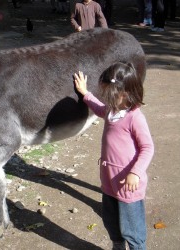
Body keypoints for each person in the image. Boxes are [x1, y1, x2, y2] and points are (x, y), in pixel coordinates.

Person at [73, 62, 154, 250]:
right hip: (109, 181)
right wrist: (85, 94)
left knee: (132, 230)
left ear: (125, 94)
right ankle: (117, 245)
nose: (106, 99)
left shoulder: (134, 117)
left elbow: (147, 147)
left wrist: (136, 172)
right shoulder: (112, 110)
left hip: (128, 186)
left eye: (109, 95)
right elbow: (100, 108)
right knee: (111, 222)